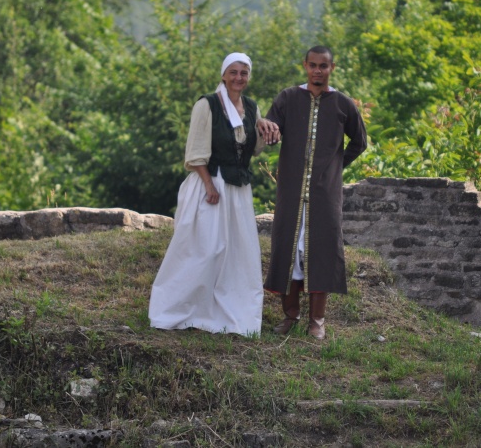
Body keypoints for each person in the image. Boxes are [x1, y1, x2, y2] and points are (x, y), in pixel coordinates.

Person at [148, 52, 277, 336]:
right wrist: (208, 185)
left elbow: (252, 149)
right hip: (211, 184)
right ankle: (179, 309)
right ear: (223, 75)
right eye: (233, 72)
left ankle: (230, 313)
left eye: (244, 73)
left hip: (238, 190)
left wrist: (267, 129)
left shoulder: (252, 107)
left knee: (238, 252)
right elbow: (194, 153)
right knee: (203, 249)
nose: (238, 77)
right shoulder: (207, 105)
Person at [259, 45, 367, 340]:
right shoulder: (287, 98)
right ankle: (290, 315)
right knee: (290, 250)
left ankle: (317, 320)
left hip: (325, 194)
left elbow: (359, 142)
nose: (318, 70)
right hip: (291, 191)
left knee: (320, 251)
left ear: (332, 68)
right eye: (313, 65)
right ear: (305, 66)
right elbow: (271, 132)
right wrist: (268, 132)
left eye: (324, 66)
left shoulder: (343, 104)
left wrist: (336, 165)